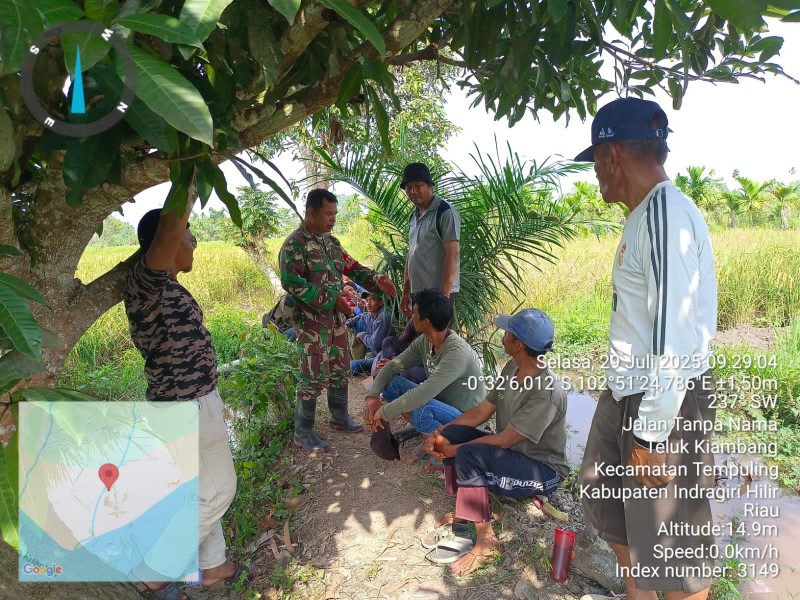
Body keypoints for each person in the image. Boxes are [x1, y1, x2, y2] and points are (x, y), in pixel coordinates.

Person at [575, 98, 718, 600]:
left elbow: (674, 336)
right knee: (603, 496)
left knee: (674, 550)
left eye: (594, 161)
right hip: (627, 392)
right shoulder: (641, 217)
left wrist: (654, 436)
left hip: (666, 404)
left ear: (612, 155)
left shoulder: (664, 214)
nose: (594, 174)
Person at [124, 201, 260, 599]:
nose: (195, 240)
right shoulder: (147, 282)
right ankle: (154, 573)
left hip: (186, 401)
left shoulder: (159, 285)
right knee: (220, 490)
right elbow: (168, 230)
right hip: (186, 404)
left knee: (200, 488)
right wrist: (191, 175)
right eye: (188, 234)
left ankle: (213, 564)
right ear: (165, 243)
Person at [422, 309, 569, 575]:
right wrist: (441, 433)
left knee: (468, 453)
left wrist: (453, 450)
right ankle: (466, 513)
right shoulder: (512, 368)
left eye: (508, 332)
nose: (503, 335)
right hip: (511, 454)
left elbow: (503, 441)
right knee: (454, 435)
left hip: (541, 470)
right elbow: (481, 412)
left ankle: (487, 541)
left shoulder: (546, 393)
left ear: (519, 344)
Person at [279, 188, 397, 453]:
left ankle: (339, 416)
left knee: (340, 367)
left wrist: (377, 280)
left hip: (336, 322)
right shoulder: (294, 245)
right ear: (311, 213)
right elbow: (292, 283)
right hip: (312, 324)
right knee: (312, 376)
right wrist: (332, 299)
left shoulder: (330, 243)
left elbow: (353, 268)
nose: (333, 219)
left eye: (335, 214)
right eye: (328, 214)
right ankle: (303, 431)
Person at [363, 289, 485, 464]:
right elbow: (391, 367)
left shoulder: (456, 353)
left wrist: (383, 412)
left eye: (414, 313)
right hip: (441, 404)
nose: (411, 317)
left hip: (465, 418)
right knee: (391, 383)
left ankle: (442, 449)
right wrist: (372, 396)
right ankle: (427, 435)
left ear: (426, 322)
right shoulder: (425, 341)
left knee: (421, 409)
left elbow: (422, 394)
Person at [398, 163, 460, 317]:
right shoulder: (413, 216)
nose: (413, 191)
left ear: (430, 186)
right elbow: (412, 253)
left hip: (437, 295)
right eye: (408, 187)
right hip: (417, 293)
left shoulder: (444, 212)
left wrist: (444, 299)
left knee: (436, 341)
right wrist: (406, 292)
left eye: (418, 186)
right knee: (420, 341)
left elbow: (453, 254)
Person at [346, 291, 394, 375]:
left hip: (384, 356)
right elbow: (361, 316)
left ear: (381, 302)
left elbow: (374, 343)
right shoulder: (371, 314)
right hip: (375, 353)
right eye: (367, 300)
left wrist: (362, 335)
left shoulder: (384, 316)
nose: (368, 303)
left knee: (352, 366)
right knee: (359, 322)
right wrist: (348, 324)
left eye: (372, 300)